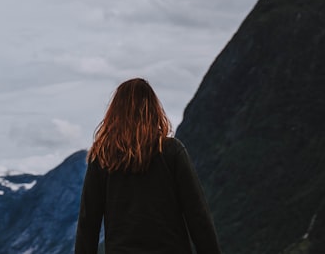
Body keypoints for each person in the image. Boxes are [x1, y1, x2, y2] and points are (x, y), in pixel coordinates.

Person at [74, 78, 221, 254]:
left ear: (114, 114)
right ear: (153, 110)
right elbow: (197, 215)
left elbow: (88, 224)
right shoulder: (171, 151)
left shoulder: (102, 158)